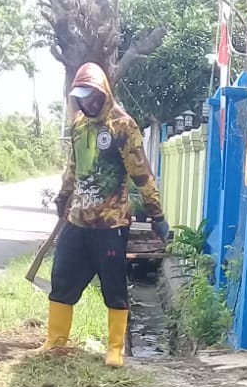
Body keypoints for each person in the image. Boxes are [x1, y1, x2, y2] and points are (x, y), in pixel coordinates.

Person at [41, 62, 170, 369]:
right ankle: (55, 341)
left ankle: (115, 349)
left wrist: (156, 213)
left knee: (113, 285)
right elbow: (73, 167)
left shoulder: (123, 126)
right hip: (78, 220)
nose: (87, 103)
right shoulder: (78, 125)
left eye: (91, 96)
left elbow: (141, 173)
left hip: (112, 223)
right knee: (61, 279)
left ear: (103, 93)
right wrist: (63, 196)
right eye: (82, 97)